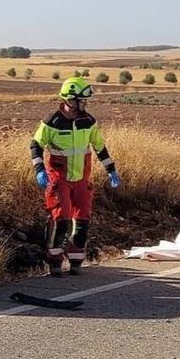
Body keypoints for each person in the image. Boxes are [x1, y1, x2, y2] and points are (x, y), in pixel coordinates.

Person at [30, 77, 120, 276]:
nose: (84, 104)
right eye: (81, 100)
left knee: (82, 220)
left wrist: (111, 169)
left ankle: (76, 260)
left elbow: (99, 147)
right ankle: (54, 261)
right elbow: (36, 145)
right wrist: (39, 170)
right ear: (70, 99)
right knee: (61, 219)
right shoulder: (52, 121)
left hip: (81, 179)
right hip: (59, 179)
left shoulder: (88, 121)